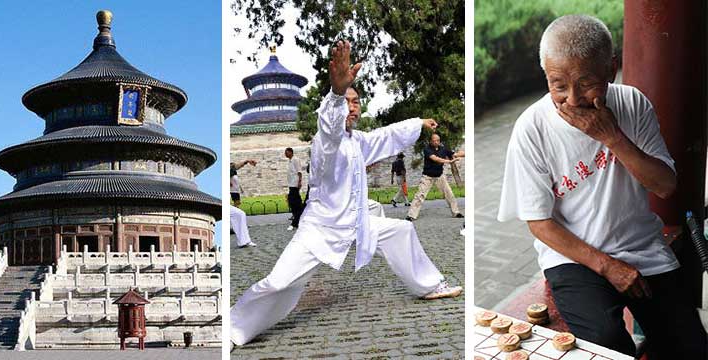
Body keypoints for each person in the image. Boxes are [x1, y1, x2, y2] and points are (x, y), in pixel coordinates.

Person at [230, 40, 462, 351]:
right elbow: (329, 126)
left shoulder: (359, 141)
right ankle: (234, 328)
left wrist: (417, 123)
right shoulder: (327, 142)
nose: (353, 107)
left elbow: (386, 136)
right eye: (348, 102)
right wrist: (337, 92)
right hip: (320, 228)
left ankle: (429, 284)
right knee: (279, 282)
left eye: (356, 102)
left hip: (357, 222)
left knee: (401, 230)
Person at [497, 15, 706, 359]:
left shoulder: (633, 104)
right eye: (558, 85)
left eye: (586, 82)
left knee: (691, 345)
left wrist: (611, 136)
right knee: (607, 342)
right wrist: (608, 266)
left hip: (642, 246)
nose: (573, 99)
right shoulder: (531, 129)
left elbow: (665, 186)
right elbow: (539, 223)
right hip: (573, 258)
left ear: (611, 70)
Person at [405, 133, 464, 220]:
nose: (436, 142)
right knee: (420, 195)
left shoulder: (443, 149)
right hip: (427, 177)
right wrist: (449, 162)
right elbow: (436, 159)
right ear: (430, 141)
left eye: (438, 140)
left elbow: (455, 154)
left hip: (439, 176)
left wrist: (461, 154)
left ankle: (456, 212)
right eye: (434, 141)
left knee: (449, 194)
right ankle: (411, 215)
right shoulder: (427, 149)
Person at [284, 147, 303, 231]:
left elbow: (299, 171)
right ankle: (297, 219)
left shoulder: (295, 160)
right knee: (293, 203)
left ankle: (295, 222)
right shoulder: (290, 161)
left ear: (291, 152)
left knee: (295, 203)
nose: (285, 154)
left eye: (286, 152)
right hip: (291, 184)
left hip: (295, 184)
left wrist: (299, 182)